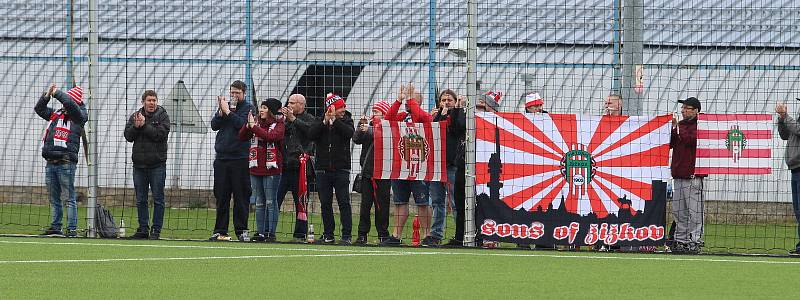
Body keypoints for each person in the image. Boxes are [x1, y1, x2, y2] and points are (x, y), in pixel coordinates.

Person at [382, 84, 433, 245]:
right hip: (401, 166)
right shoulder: (402, 116)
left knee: (422, 202)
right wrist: (398, 100)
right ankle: (396, 235)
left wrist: (411, 99)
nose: (408, 102)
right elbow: (388, 119)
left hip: (419, 167)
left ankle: (427, 236)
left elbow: (419, 117)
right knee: (399, 201)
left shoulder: (424, 116)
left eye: (412, 98)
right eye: (408, 99)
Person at [35, 84, 88, 237]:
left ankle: (72, 229)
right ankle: (55, 227)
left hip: (66, 162)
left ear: (75, 100)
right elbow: (39, 109)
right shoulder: (56, 114)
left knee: (69, 198)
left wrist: (57, 93)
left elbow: (70, 103)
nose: (65, 103)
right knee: (54, 198)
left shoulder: (79, 116)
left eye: (68, 99)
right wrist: (46, 96)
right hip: (51, 161)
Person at [209, 80, 253, 242]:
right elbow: (214, 125)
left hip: (239, 159)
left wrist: (228, 112)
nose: (234, 96)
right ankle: (220, 230)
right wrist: (221, 113)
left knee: (241, 196)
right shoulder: (225, 106)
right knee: (221, 196)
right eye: (232, 92)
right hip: (222, 158)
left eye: (237, 93)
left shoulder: (248, 108)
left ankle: (241, 230)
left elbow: (242, 125)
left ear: (244, 94)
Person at [123, 90, 171, 240]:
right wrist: (136, 127)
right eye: (149, 100)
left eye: (154, 100)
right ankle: (143, 229)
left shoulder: (163, 116)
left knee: (158, 199)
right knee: (141, 199)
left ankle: (156, 230)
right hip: (139, 166)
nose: (152, 103)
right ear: (143, 102)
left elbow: (160, 134)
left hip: (157, 165)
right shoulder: (135, 116)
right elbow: (128, 136)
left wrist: (144, 126)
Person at [309, 93, 355, 244]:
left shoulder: (347, 120)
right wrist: (324, 122)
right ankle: (328, 234)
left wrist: (335, 121)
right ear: (331, 108)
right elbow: (311, 134)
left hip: (341, 169)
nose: (344, 109)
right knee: (325, 203)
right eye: (340, 107)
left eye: (343, 106)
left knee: (344, 202)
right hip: (322, 169)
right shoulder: (319, 120)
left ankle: (346, 235)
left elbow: (349, 134)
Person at [239, 98, 285, 242]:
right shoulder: (255, 124)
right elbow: (241, 136)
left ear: (271, 111)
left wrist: (254, 127)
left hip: (272, 169)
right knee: (259, 202)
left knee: (271, 201)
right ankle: (260, 233)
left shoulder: (279, 124)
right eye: (261, 107)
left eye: (264, 108)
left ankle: (270, 233)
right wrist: (248, 126)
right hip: (256, 167)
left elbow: (270, 136)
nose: (261, 110)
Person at [352, 100, 392, 245]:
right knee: (365, 206)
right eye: (373, 111)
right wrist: (360, 126)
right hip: (368, 173)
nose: (373, 114)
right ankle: (362, 234)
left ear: (384, 114)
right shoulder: (368, 126)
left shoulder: (388, 127)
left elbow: (381, 135)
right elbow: (356, 139)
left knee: (382, 206)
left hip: (383, 173)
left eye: (377, 112)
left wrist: (367, 128)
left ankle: (383, 234)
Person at [430, 89, 466, 247]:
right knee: (437, 202)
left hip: (452, 166)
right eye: (443, 100)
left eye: (449, 100)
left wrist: (457, 109)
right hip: (436, 165)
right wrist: (439, 115)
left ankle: (462, 234)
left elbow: (459, 128)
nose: (446, 103)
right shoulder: (437, 116)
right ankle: (436, 234)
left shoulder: (460, 114)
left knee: (456, 201)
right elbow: (432, 132)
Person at [278, 94, 316, 242]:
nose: (290, 105)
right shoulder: (284, 120)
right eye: (289, 102)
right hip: (284, 166)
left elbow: (311, 131)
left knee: (301, 201)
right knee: (275, 199)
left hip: (300, 168)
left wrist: (294, 119)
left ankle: (300, 234)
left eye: (293, 103)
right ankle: (268, 231)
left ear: (302, 105)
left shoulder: (310, 119)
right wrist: (284, 120)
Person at [670, 97, 704, 254]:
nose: (683, 110)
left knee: (694, 212)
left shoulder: (702, 126)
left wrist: (676, 128)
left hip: (693, 176)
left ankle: (695, 241)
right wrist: (671, 129)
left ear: (696, 110)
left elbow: (690, 140)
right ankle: (680, 240)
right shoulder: (680, 126)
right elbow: (670, 144)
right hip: (678, 175)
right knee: (679, 211)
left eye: (687, 108)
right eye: (683, 107)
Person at [775, 102, 800, 255]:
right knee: (798, 211)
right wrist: (781, 119)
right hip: (795, 169)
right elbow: (785, 135)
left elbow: (798, 130)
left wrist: (786, 116)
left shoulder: (795, 122)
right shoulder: (795, 119)